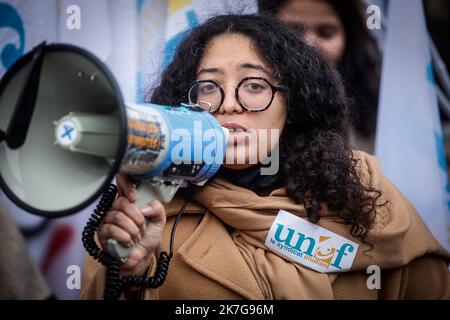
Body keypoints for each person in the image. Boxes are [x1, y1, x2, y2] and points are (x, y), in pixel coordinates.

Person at [81, 14, 449, 300]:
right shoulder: (148, 208)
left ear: (294, 102)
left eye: (254, 85)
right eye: (209, 86)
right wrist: (129, 276)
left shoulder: (365, 195)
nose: (227, 104)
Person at [259, 0, 382, 154]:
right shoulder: (238, 108)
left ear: (348, 40)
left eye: (326, 32)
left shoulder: (381, 117)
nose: (310, 43)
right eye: (293, 31)